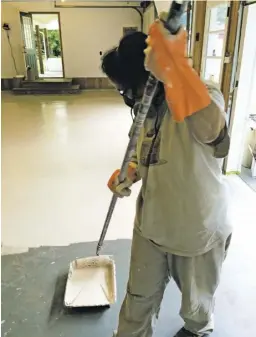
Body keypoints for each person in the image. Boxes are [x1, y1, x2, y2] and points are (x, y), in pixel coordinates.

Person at [101, 15, 232, 337]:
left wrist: (176, 74)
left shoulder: (202, 94)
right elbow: (138, 148)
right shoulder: (148, 108)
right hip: (152, 222)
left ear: (147, 79)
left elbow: (216, 137)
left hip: (195, 225)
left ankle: (198, 331)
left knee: (196, 305)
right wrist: (128, 172)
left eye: (126, 86)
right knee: (138, 296)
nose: (125, 94)